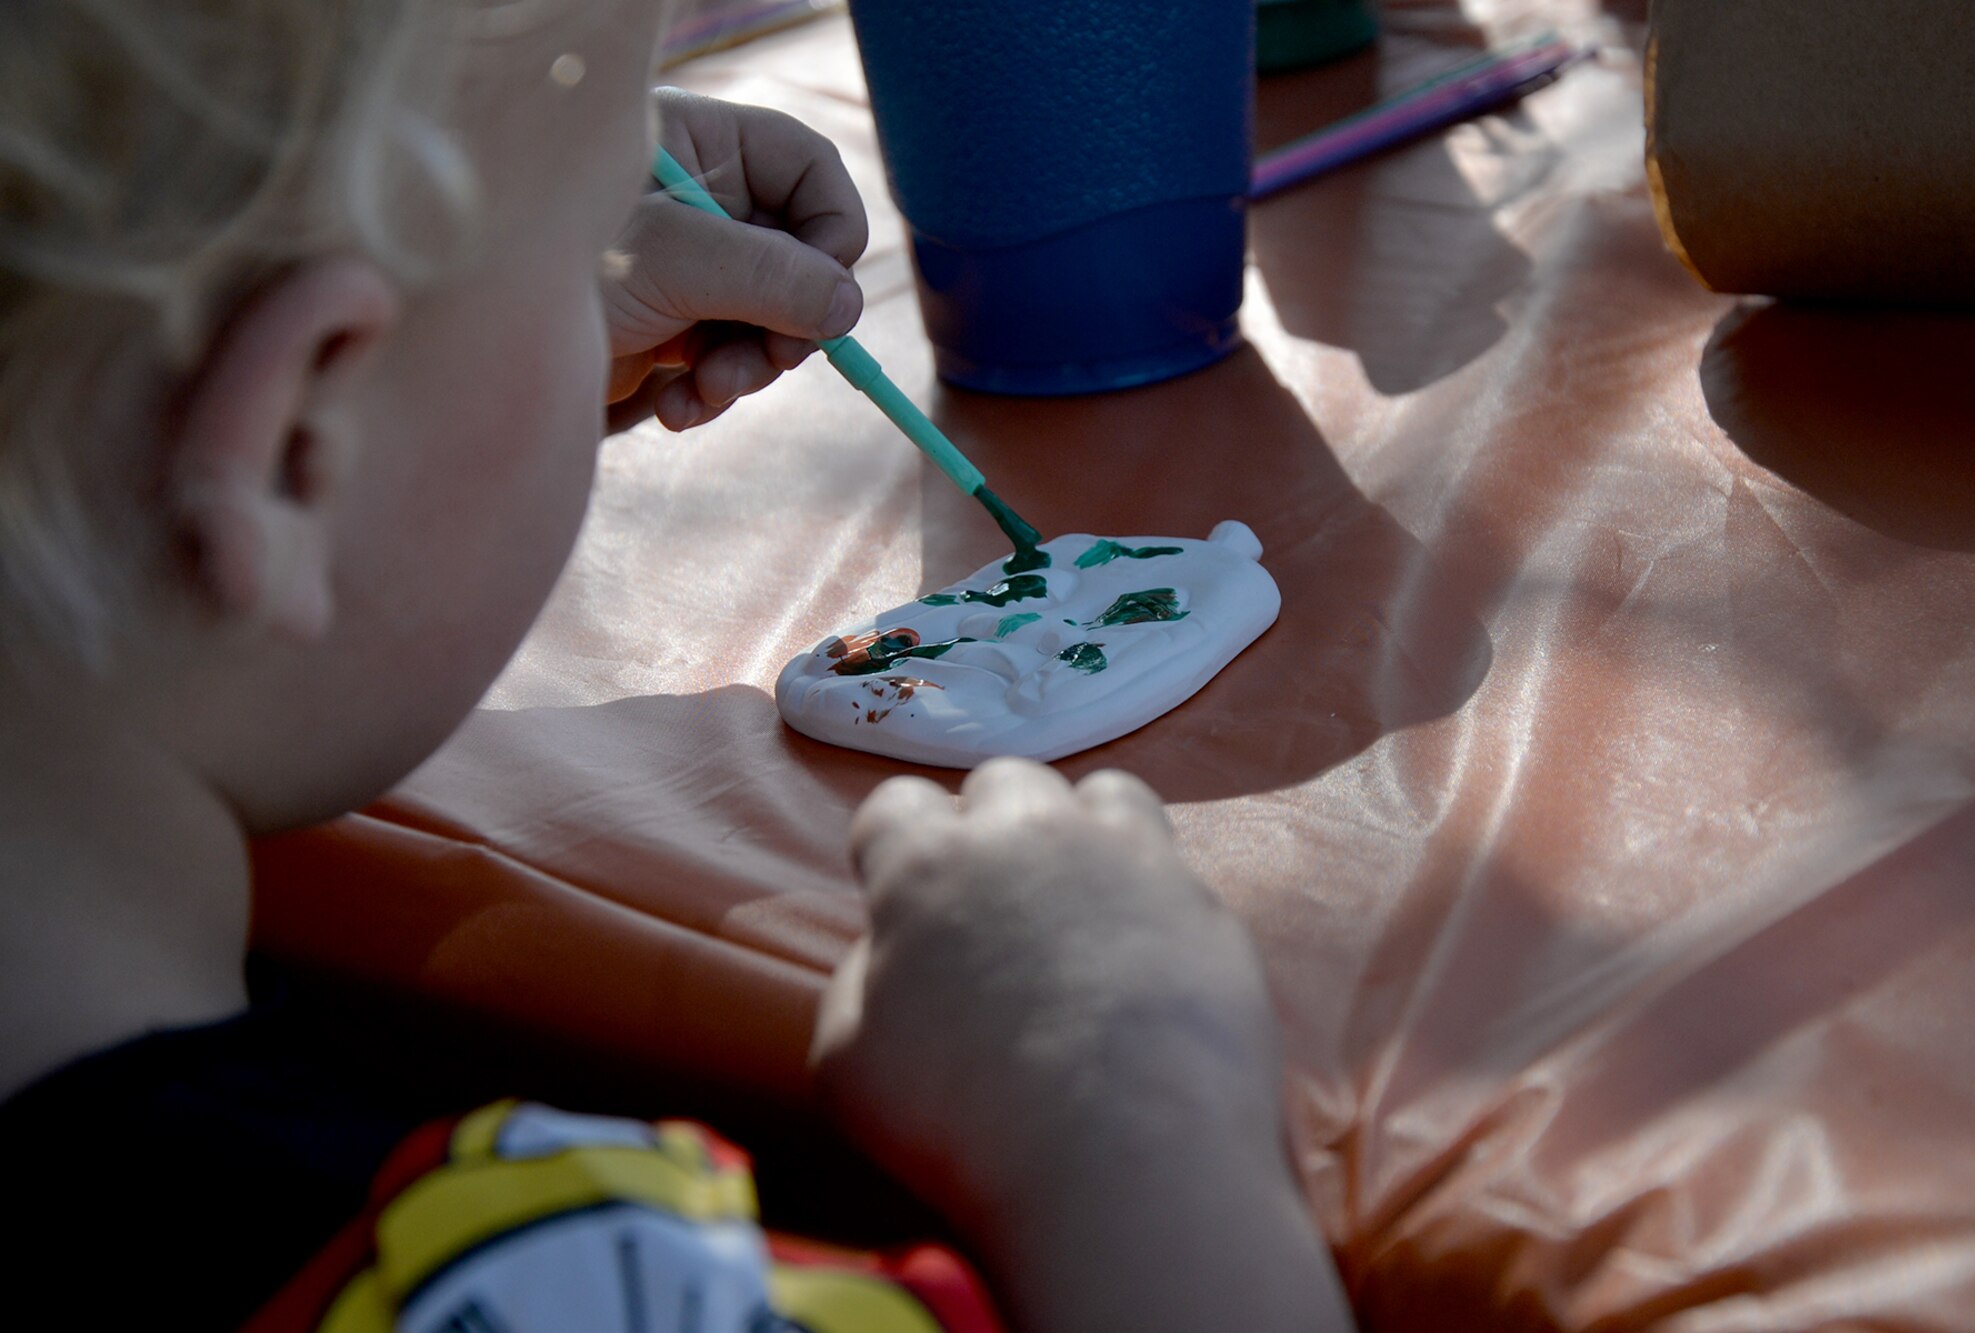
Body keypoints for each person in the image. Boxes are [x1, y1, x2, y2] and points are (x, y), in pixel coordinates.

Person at [0, 1, 1352, 1329]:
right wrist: (1127, 1127)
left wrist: (496, 301)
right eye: (579, 255)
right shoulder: (548, 1292)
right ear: (302, 440)